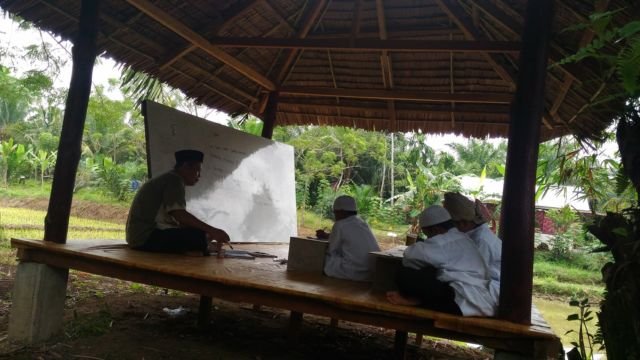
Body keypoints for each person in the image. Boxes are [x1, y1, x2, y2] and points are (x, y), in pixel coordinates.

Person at [386, 205, 496, 317]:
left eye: (427, 234)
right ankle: (419, 301)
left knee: (404, 274)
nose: (428, 238)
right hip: (478, 298)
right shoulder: (463, 238)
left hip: (461, 301)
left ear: (435, 230)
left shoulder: (443, 241)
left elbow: (409, 255)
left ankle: (418, 301)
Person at [126, 149, 230, 255]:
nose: (199, 175)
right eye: (197, 170)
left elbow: (177, 220)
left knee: (199, 234)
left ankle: (197, 248)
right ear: (186, 166)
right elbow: (180, 215)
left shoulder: (169, 179)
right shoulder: (174, 180)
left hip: (138, 237)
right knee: (197, 236)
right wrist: (213, 231)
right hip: (146, 237)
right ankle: (197, 249)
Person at [316, 195, 381, 282]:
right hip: (370, 273)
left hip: (352, 272)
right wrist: (327, 236)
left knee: (320, 258)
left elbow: (332, 249)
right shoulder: (362, 223)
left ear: (341, 211)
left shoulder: (339, 224)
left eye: (335, 212)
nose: (335, 216)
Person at [443, 192, 502, 283]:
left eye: (450, 225)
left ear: (463, 223)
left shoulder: (480, 241)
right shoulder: (474, 236)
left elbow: (470, 275)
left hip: (493, 291)